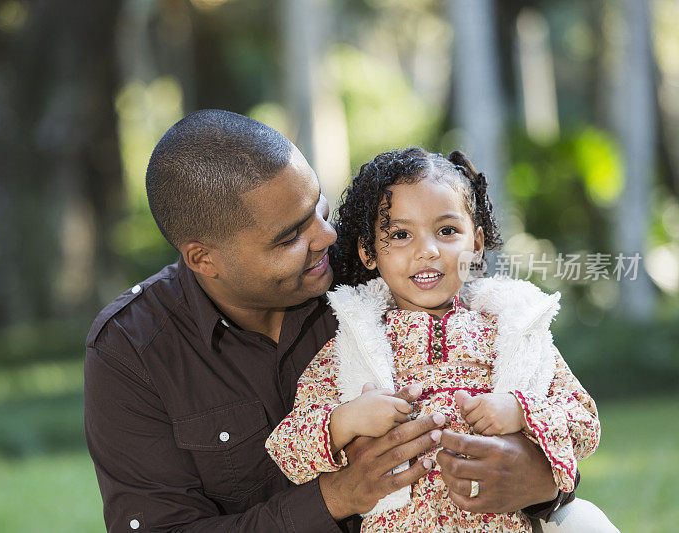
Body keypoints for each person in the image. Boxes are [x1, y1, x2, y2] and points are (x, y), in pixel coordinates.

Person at [84, 110, 575, 533]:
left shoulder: (380, 272)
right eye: (290, 236)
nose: (326, 236)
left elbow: (531, 385)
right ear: (204, 258)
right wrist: (337, 496)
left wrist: (540, 474)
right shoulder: (133, 348)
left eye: (317, 206)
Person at [265, 147, 616, 532]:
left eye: (447, 231)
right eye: (400, 234)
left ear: (477, 244)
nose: (427, 251)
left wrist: (521, 411)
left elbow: (585, 424)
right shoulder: (351, 348)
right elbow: (288, 451)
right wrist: (346, 420)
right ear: (369, 251)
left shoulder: (514, 333)